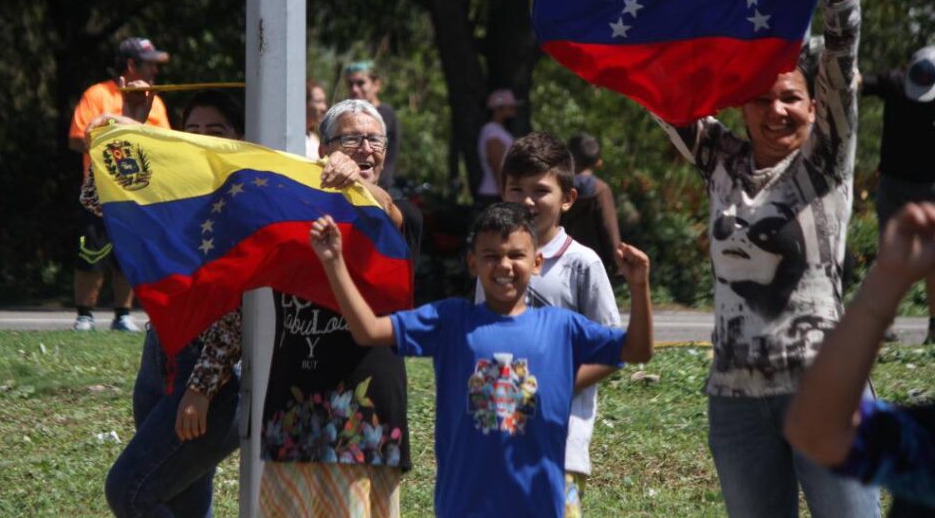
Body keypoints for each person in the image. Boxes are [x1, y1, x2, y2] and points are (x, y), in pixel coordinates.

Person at [654, 0, 878, 517]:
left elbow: (841, 56)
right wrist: (658, 1)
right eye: (759, 99)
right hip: (735, 400)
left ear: (815, 108)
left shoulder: (824, 163)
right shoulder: (719, 161)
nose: (775, 111)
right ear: (741, 107)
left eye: (791, 98)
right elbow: (660, 93)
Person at [309, 201, 653, 517]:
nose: (504, 265)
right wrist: (334, 263)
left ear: (536, 263)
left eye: (516, 255)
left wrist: (640, 288)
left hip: (540, 506)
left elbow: (637, 350)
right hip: (465, 506)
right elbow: (368, 330)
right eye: (491, 255)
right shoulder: (450, 321)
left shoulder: (562, 327)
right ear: (473, 263)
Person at [182, 99, 421, 517]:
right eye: (351, 138)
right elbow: (240, 299)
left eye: (374, 139)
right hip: (291, 416)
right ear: (324, 150)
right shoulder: (289, 213)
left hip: (364, 418)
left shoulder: (401, 215)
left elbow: (389, 214)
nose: (365, 148)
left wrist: (357, 188)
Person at [93, 90, 245, 517]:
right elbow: (98, 200)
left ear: (240, 137)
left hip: (214, 378)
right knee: (181, 503)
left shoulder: (245, 200)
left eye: (215, 132)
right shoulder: (171, 190)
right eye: (191, 131)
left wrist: (201, 388)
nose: (200, 140)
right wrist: (125, 129)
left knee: (130, 491)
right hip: (160, 358)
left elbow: (237, 313)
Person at [472, 131, 620, 516]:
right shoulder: (492, 263)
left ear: (567, 199)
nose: (527, 201)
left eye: (540, 190)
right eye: (516, 189)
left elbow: (612, 350)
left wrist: (553, 383)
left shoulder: (583, 264)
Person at [786, 202, 935, 515]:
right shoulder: (924, 444)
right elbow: (817, 429)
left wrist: (885, 285)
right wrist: (887, 278)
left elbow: (817, 431)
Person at [67, 37, 171, 332]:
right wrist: (110, 133)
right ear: (131, 65)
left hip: (138, 191)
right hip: (99, 193)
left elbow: (167, 142)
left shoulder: (156, 100)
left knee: (129, 252)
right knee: (91, 251)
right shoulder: (97, 94)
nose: (155, 72)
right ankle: (84, 315)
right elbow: (76, 138)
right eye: (150, 65)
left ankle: (122, 315)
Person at [862, 45, 935, 344]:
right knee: (889, 253)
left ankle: (934, 325)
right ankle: (884, 322)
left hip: (930, 187)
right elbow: (858, 82)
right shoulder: (893, 83)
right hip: (893, 185)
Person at [561, 132, 622, 278]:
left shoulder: (556, 188)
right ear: (598, 162)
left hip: (558, 260)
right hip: (593, 264)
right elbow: (608, 228)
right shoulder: (600, 190)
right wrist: (617, 262)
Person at [345, 60, 400, 188]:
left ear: (376, 85)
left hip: (378, 189)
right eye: (350, 84)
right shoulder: (350, 114)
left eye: (360, 83)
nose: (354, 89)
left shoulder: (384, 114)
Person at [475, 89, 519, 206]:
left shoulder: (501, 131)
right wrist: (505, 194)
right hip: (494, 195)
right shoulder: (492, 131)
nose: (514, 112)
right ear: (497, 109)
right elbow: (497, 164)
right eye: (510, 108)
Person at [306, 79, 328, 159]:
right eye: (319, 102)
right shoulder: (291, 140)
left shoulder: (314, 138)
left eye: (324, 102)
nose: (324, 108)